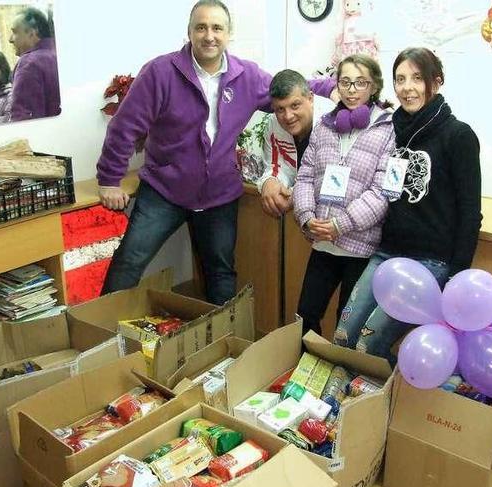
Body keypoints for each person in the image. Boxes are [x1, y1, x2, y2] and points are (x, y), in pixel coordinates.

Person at [96, 0, 334, 305]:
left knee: (221, 274)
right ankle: (100, 339)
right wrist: (109, 179)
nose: (209, 35)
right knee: (128, 263)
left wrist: (336, 89)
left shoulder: (247, 75)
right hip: (164, 191)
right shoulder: (160, 72)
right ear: (190, 33)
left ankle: (225, 347)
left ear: (228, 34)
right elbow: (125, 126)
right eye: (201, 27)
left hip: (219, 195)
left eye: (217, 28)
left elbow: (289, 90)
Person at [334, 47, 482, 366]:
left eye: (417, 78)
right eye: (400, 79)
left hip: (431, 263)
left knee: (367, 346)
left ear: (436, 83)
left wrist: (455, 277)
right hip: (387, 254)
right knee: (342, 336)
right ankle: (341, 408)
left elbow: (471, 213)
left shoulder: (458, 136)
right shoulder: (392, 130)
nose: (407, 87)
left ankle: (378, 406)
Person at [293, 54, 393, 336]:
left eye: (360, 83)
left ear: (374, 87)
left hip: (360, 247)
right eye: (345, 82)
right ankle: (305, 376)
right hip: (323, 243)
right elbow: (305, 176)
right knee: (305, 317)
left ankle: (338, 380)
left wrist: (341, 224)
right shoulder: (324, 126)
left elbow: (382, 192)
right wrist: (306, 218)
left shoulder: (388, 129)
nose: (351, 90)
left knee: (345, 327)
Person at [255, 69, 335, 218]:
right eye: (280, 109)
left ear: (310, 98)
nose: (288, 116)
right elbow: (275, 165)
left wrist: (295, 195)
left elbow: (331, 179)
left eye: (295, 105)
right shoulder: (273, 123)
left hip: (331, 216)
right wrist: (270, 181)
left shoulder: (331, 120)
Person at [9, 7, 60, 121]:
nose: (10, 39)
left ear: (32, 33)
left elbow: (23, 117)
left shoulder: (29, 63)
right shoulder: (58, 56)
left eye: (14, 32)